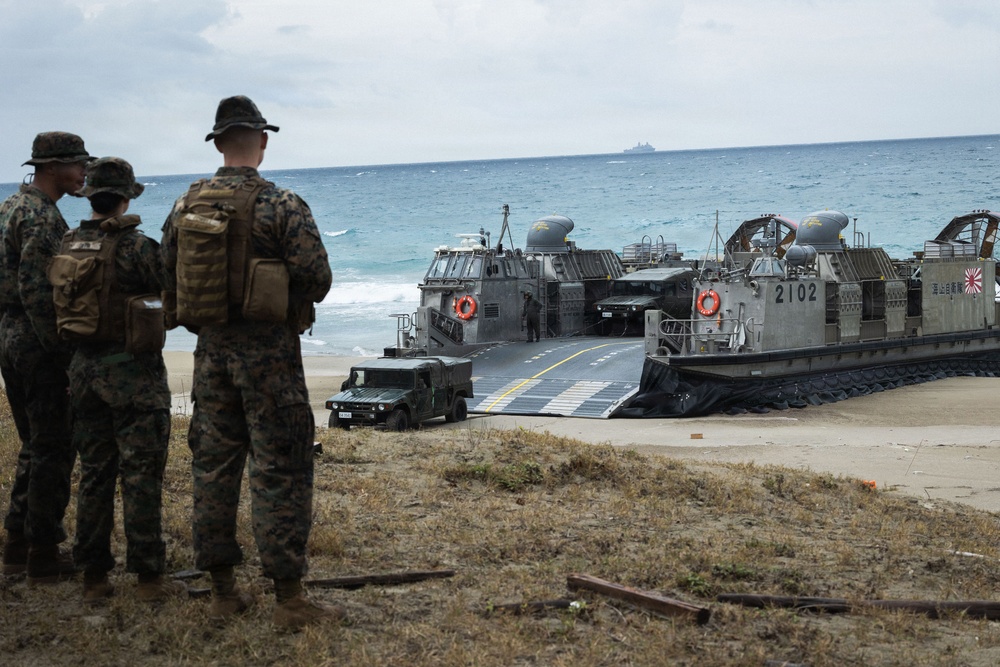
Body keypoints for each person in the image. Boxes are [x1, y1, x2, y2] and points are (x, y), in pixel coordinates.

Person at [160, 95, 337, 629]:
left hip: (211, 354)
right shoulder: (282, 204)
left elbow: (167, 277)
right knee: (280, 467)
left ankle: (221, 591)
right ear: (262, 141)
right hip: (271, 358)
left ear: (217, 144)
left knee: (214, 467)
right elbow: (317, 279)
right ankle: (288, 600)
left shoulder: (185, 206)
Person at [59, 157, 185, 604]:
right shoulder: (137, 247)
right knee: (141, 476)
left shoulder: (67, 244)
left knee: (94, 474)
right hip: (133, 374)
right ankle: (149, 578)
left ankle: (93, 577)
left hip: (83, 371)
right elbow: (173, 294)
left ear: (90, 196)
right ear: (126, 197)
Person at [0, 132, 90, 583]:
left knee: (36, 444)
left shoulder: (11, 206)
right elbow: (38, 292)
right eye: (79, 166)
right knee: (54, 445)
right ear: (53, 166)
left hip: (11, 336)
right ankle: (43, 552)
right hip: (37, 341)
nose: (84, 174)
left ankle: (17, 542)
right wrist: (62, 355)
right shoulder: (39, 217)